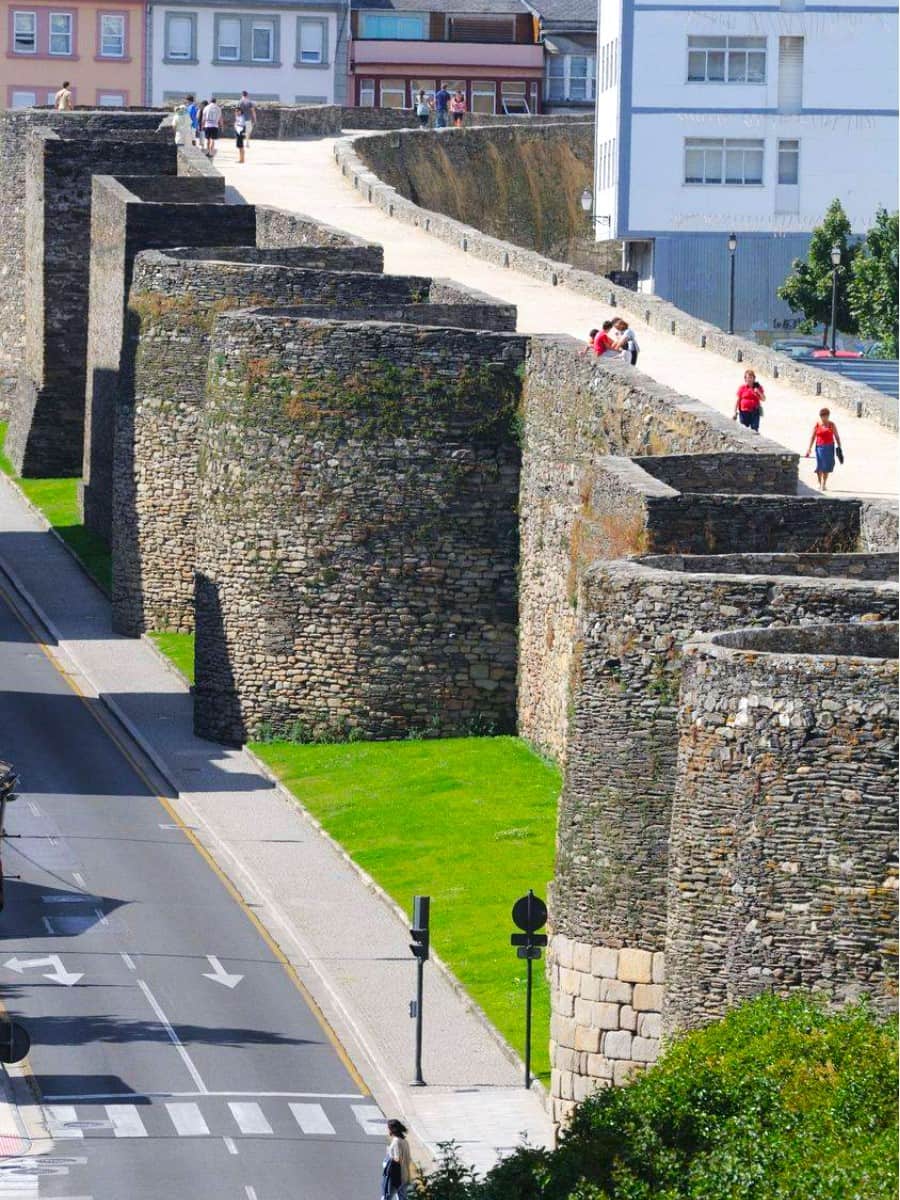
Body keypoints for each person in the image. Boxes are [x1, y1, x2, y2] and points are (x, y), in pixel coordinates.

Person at [805, 407, 842, 491]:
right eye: (822, 416)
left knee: (827, 466)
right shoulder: (817, 424)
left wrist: (839, 446)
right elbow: (813, 436)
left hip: (829, 447)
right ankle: (819, 482)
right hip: (820, 447)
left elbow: (836, 436)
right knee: (820, 466)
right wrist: (809, 448)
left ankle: (823, 484)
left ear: (828, 416)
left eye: (826, 416)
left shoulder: (832, 424)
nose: (824, 418)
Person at [381, 1119, 413, 1200]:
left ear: (393, 1129)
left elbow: (397, 1159)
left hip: (396, 1176)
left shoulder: (396, 1142)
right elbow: (408, 1159)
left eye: (388, 1128)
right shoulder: (404, 1141)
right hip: (404, 1175)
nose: (387, 1130)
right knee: (402, 1197)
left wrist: (388, 1157)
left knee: (386, 1196)